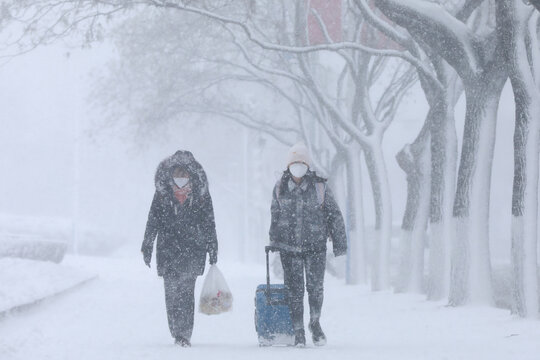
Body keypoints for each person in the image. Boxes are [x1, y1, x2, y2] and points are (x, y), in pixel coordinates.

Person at [269, 142, 347, 347]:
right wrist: (274, 241)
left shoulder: (320, 187)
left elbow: (334, 216)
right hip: (289, 249)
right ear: (288, 165)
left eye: (301, 163)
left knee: (315, 289)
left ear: (307, 165)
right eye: (294, 163)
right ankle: (298, 331)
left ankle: (315, 322)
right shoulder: (279, 188)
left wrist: (340, 244)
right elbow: (275, 216)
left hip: (315, 248)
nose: (298, 166)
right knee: (294, 290)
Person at [141, 150, 218, 348]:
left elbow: (209, 221)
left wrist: (212, 245)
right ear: (171, 174)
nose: (181, 178)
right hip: (168, 250)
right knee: (172, 293)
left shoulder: (200, 196)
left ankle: (184, 334)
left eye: (184, 174)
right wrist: (147, 244)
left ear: (191, 175)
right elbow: (153, 220)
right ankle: (176, 330)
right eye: (178, 173)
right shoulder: (162, 195)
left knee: (186, 293)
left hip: (192, 250)